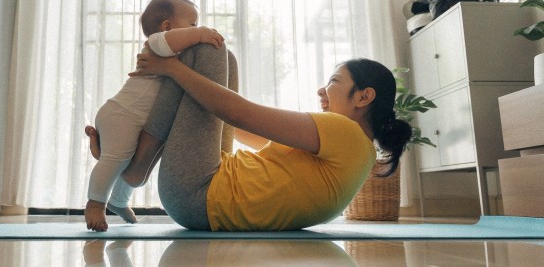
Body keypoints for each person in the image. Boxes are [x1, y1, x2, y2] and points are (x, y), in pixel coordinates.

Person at [88, 45, 412, 231]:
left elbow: (238, 113)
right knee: (222, 58)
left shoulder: (345, 133)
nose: (321, 90)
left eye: (333, 81)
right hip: (204, 190)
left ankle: (135, 166)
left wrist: (172, 68)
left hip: (199, 195)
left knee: (206, 51)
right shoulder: (351, 149)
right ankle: (132, 161)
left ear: (363, 97)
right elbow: (238, 129)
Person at [84, 0, 225, 232]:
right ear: (167, 27)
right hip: (122, 114)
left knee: (132, 165)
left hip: (132, 118)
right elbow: (173, 41)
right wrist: (200, 34)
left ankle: (118, 200)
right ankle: (95, 204)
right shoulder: (156, 43)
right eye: (192, 24)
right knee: (116, 159)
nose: (196, 29)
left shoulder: (174, 59)